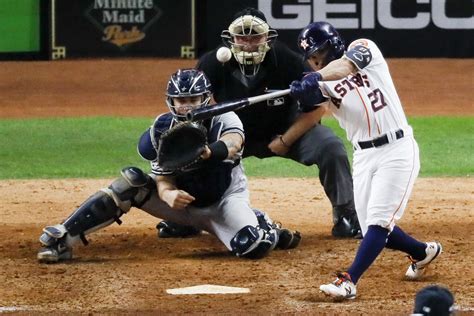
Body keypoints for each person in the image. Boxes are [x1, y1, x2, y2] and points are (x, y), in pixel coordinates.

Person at [37, 68, 301, 263]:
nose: (186, 106)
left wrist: (208, 151)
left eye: (193, 100)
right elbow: (162, 178)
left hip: (223, 203)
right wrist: (168, 194)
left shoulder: (224, 118)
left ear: (205, 99)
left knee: (253, 246)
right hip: (182, 206)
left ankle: (265, 226)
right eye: (181, 100)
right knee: (131, 182)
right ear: (171, 101)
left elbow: (233, 143)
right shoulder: (161, 130)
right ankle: (64, 237)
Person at [156, 7, 361, 239]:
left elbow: (319, 108)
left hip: (284, 131)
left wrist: (286, 140)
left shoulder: (286, 60)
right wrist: (212, 143)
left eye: (255, 36)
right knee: (192, 149)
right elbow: (195, 109)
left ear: (267, 38)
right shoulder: (212, 64)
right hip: (232, 135)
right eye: (242, 37)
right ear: (230, 39)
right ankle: (186, 217)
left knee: (329, 146)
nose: (248, 43)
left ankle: (346, 215)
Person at [289, 22, 442, 299]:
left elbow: (344, 68)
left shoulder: (363, 48)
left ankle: (348, 281)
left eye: (318, 54)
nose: (315, 61)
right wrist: (302, 91)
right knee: (369, 226)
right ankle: (423, 252)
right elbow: (311, 101)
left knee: (379, 223)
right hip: (363, 156)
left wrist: (315, 77)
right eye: (311, 59)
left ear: (332, 45)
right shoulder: (324, 83)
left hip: (397, 149)